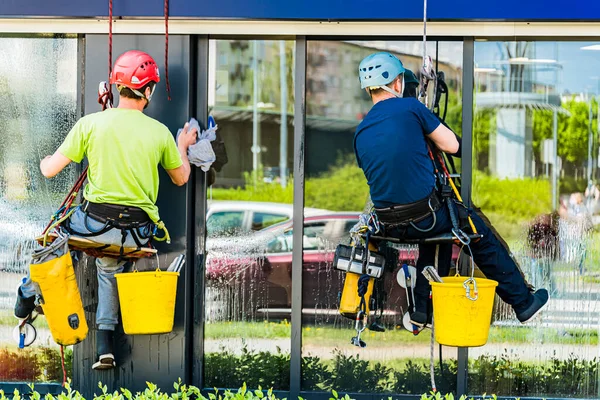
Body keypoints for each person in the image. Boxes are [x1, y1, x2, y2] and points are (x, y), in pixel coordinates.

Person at [14, 50, 198, 370]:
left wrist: (43, 158)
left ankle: (25, 298)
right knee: (109, 265)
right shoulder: (159, 133)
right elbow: (181, 177)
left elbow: (48, 170)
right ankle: (105, 346)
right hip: (136, 234)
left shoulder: (91, 124)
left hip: (93, 224)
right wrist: (182, 146)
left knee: (55, 240)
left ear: (116, 86)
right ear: (148, 90)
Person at [354, 52, 549, 327]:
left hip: (389, 225)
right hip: (425, 217)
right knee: (476, 231)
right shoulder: (411, 109)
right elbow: (455, 147)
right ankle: (523, 302)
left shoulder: (360, 131)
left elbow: (388, 169)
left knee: (441, 234)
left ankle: (422, 310)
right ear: (397, 83)